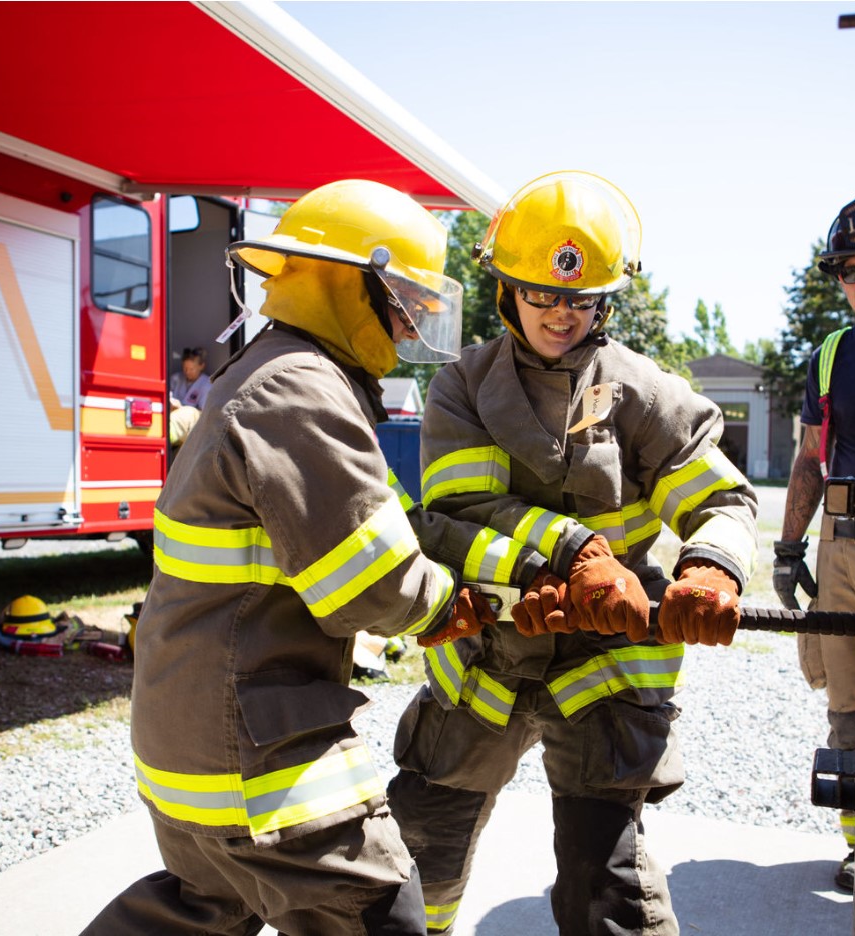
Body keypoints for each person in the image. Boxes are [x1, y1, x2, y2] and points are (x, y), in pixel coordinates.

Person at [83, 179, 552, 936]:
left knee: (208, 904)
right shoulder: (301, 390)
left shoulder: (273, 371)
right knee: (374, 908)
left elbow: (393, 520)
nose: (407, 328)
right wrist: (463, 605)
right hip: (251, 744)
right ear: (346, 282)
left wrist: (519, 564)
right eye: (400, 300)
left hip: (194, 726)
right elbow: (373, 581)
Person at [386, 171, 759, 935]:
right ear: (507, 291)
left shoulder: (644, 393)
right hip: (485, 663)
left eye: (581, 298)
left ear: (606, 301)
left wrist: (709, 569)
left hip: (603, 671)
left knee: (605, 883)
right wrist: (578, 553)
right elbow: (459, 515)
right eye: (542, 294)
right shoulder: (463, 385)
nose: (561, 312)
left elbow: (723, 501)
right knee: (421, 849)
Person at [772, 191, 855, 894]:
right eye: (852, 271)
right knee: (846, 701)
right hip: (843, 543)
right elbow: (813, 456)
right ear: (838, 280)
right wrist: (787, 550)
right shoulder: (831, 356)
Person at [168, 346, 210, 447]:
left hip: (193, 425)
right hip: (173, 416)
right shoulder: (176, 378)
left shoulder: (207, 384)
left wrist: (181, 408)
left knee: (189, 412)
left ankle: (167, 435)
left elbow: (204, 413)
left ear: (201, 366)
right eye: (185, 368)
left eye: (191, 369)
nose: (187, 372)